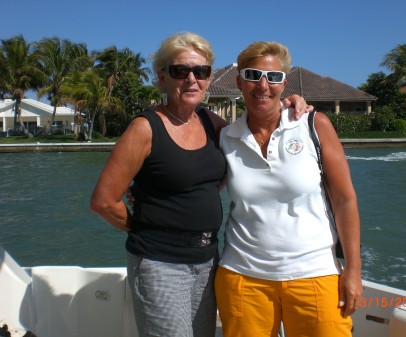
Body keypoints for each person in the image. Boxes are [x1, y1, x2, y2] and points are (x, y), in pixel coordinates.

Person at [90, 32, 310, 337]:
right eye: (181, 71)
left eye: (201, 71)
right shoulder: (145, 128)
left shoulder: (210, 123)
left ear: (208, 79)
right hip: (159, 263)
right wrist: (144, 227)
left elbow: (248, 135)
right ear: (163, 77)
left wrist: (288, 103)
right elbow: (103, 201)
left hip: (208, 259)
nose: (191, 79)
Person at [215, 41, 362, 337]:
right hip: (243, 277)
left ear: (284, 83)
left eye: (274, 77)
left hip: (315, 273)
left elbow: (345, 200)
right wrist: (144, 191)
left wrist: (354, 271)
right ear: (239, 82)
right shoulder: (225, 137)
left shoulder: (313, 125)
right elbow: (194, 181)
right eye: (253, 75)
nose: (263, 85)